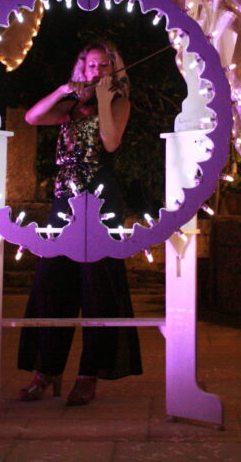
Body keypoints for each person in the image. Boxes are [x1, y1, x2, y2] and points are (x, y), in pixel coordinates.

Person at [16, 40, 143, 406]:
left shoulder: (119, 103)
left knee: (98, 290)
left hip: (102, 203)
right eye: (90, 66)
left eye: (104, 66)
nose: (96, 72)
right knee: (51, 285)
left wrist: (104, 99)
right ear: (81, 69)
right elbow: (32, 118)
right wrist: (61, 89)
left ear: (114, 70)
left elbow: (111, 141)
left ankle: (88, 375)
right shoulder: (70, 107)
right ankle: (47, 371)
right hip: (64, 201)